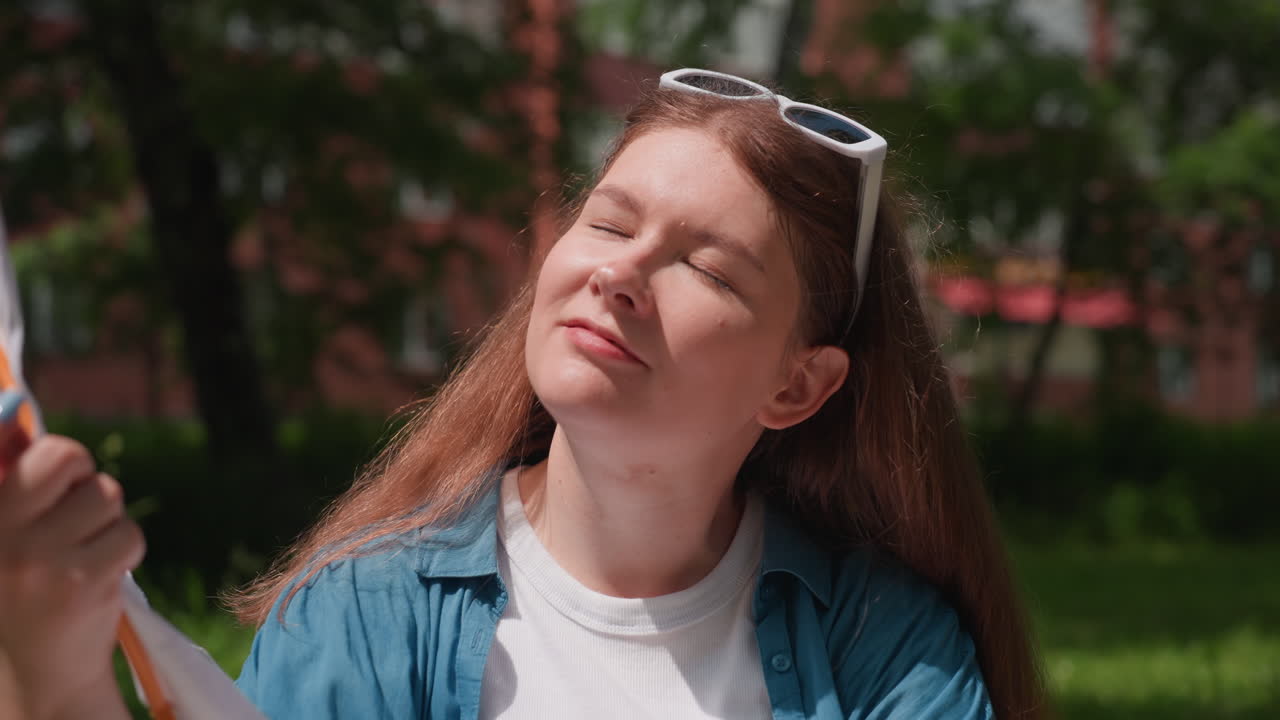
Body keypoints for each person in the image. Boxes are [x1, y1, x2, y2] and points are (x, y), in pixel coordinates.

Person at [0, 69, 1048, 719]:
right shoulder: (364, 616)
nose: (620, 272)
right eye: (606, 221)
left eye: (707, 269)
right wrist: (47, 684)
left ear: (797, 383)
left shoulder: (884, 651)